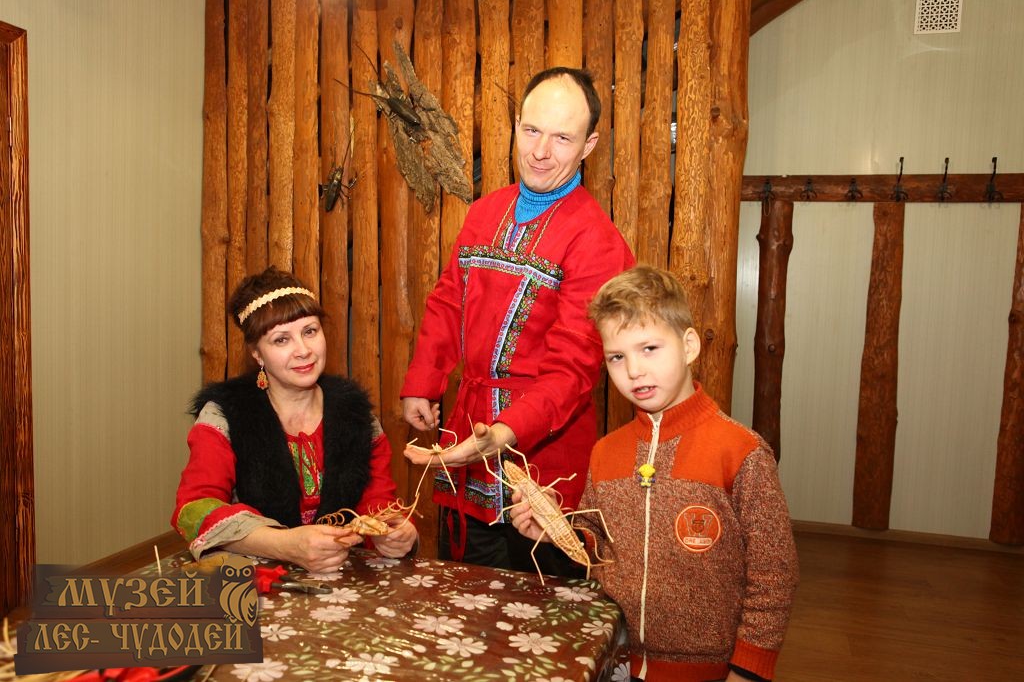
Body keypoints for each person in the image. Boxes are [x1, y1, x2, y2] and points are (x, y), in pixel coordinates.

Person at [510, 265, 799, 682]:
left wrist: (749, 669)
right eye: (617, 357)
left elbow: (774, 574)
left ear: (689, 346)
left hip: (709, 671)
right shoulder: (605, 452)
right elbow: (598, 544)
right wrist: (557, 532)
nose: (634, 370)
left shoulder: (742, 452)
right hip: (615, 660)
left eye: (649, 348)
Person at [401, 67, 635, 572]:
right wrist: (424, 380)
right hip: (468, 435)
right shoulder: (484, 213)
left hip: (545, 458)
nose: (540, 151)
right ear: (515, 125)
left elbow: (574, 367)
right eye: (531, 130)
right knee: (464, 590)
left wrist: (505, 431)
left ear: (589, 146)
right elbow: (449, 300)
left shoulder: (600, 242)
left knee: (541, 600)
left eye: (562, 138)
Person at [172, 267, 417, 572]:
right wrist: (284, 544)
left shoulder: (355, 414)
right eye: (281, 340)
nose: (303, 351)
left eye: (310, 331)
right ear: (257, 354)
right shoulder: (226, 415)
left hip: (340, 578)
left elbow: (377, 501)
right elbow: (194, 508)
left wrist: (394, 531)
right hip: (255, 579)